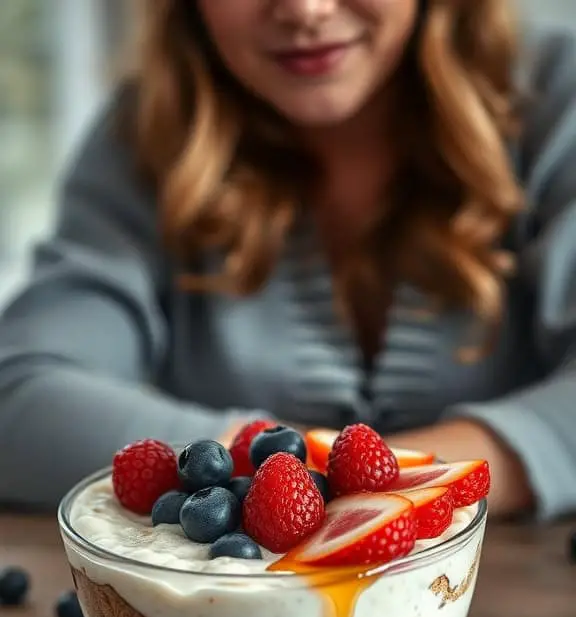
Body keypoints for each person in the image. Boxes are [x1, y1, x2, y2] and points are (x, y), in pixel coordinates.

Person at [0, 0, 575, 519]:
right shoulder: (148, 132)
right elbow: (19, 396)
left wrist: (334, 487)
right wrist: (286, 477)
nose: (306, 11)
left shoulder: (557, 95)